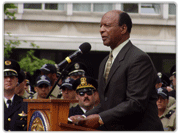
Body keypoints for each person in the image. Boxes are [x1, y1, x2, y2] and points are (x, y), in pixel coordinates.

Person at [69, 10, 163, 131]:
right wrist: (82, 117)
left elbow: (135, 103)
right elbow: (106, 104)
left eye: (106, 26)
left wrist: (100, 118)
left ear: (123, 28)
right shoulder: (105, 62)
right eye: (100, 26)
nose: (101, 30)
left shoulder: (139, 59)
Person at [4, 59, 27, 131]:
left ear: (17, 80)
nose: (8, 80)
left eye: (11, 77)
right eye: (5, 77)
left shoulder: (25, 104)